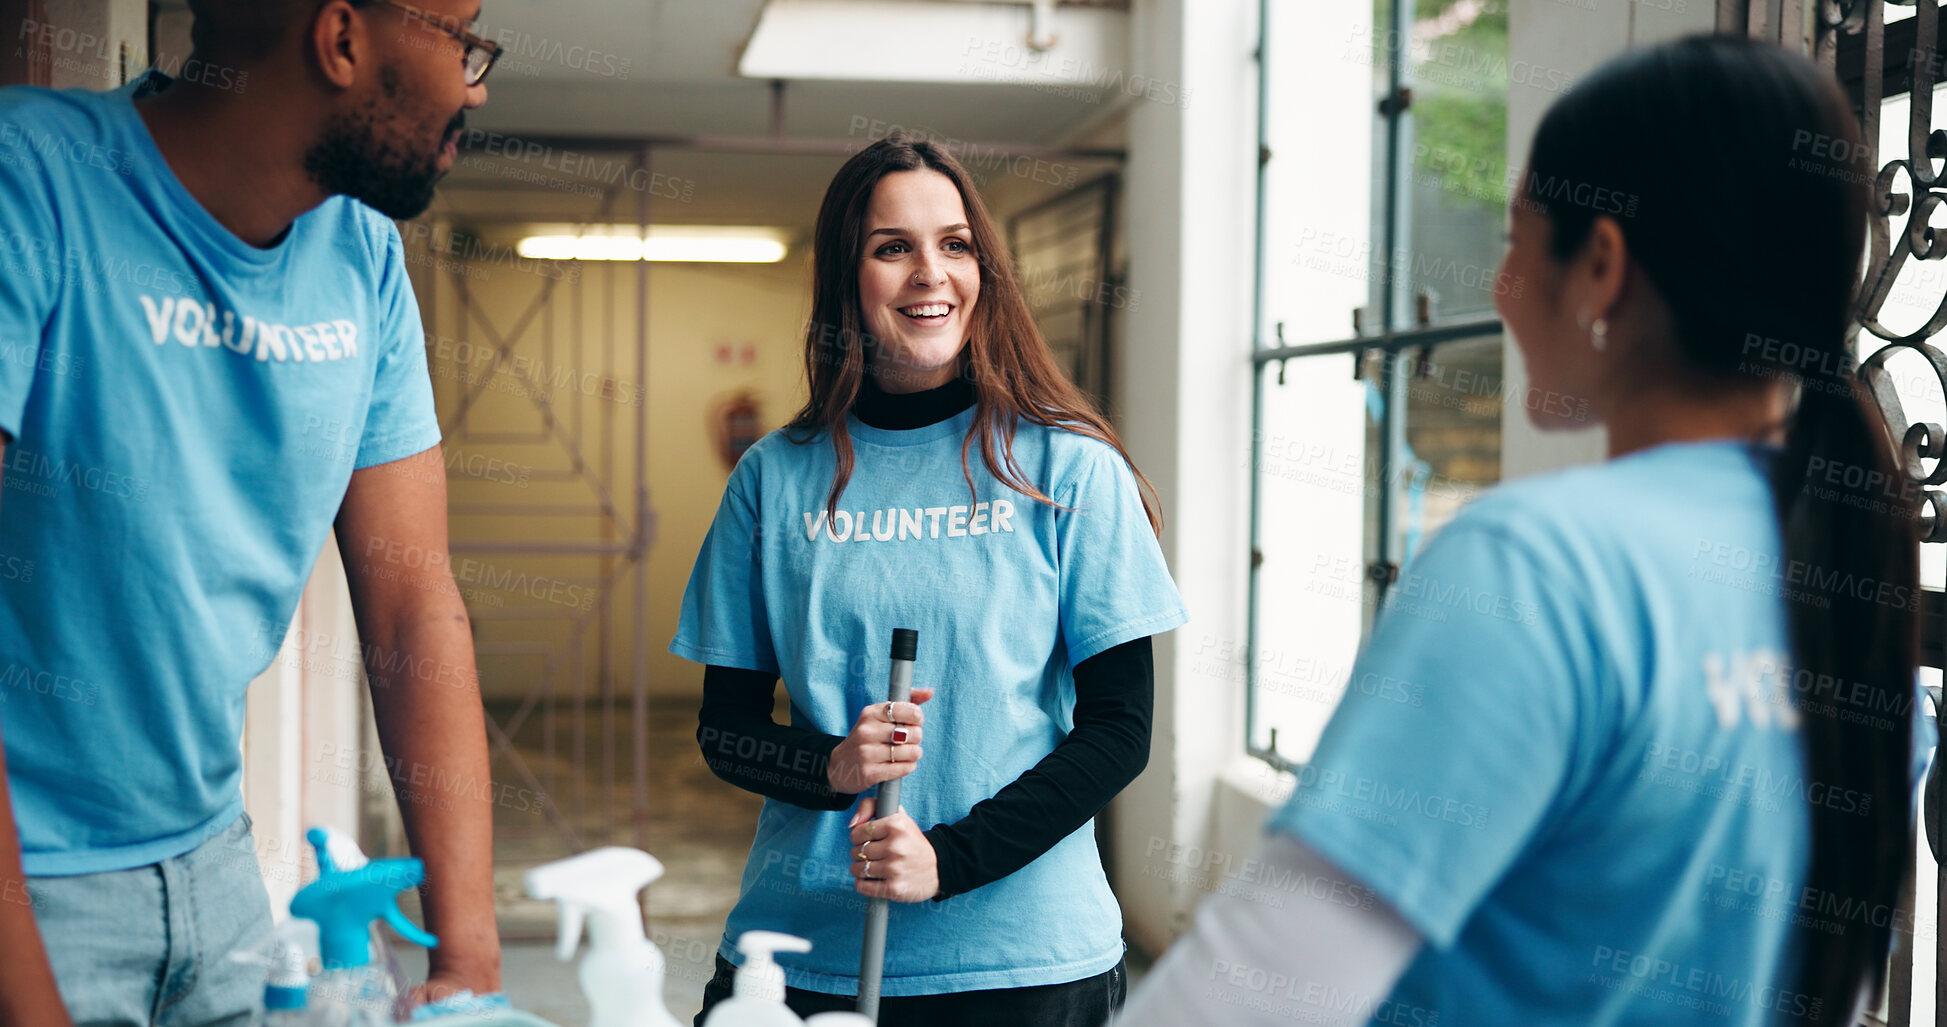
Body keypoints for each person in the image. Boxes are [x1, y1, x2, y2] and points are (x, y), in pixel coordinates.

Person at [1121, 35, 1931, 1027]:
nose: (1501, 285)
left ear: (1600, 266)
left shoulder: (1539, 570)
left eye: (1516, 239)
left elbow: (1248, 998)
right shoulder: (1854, 585)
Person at [0, 1, 507, 1023]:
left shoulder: (361, 255)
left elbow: (413, 604)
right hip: (33, 890)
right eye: (463, 39)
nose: (477, 84)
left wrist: (468, 954)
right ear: (343, 40)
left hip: (218, 870)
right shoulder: (32, 181)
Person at [672, 136, 1188, 1026]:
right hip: (800, 961)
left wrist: (949, 858)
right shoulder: (774, 476)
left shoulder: (1066, 468)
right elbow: (727, 729)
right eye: (891, 247)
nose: (929, 274)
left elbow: (1119, 730)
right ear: (846, 275)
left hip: (1021, 965)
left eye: (954, 244)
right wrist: (830, 765)